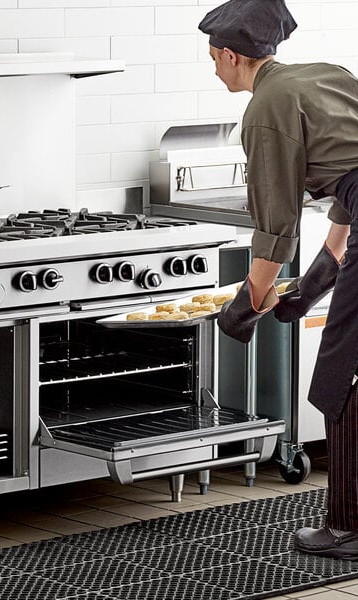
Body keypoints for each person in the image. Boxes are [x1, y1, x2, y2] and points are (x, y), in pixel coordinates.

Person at [198, 0, 358, 559]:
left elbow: (276, 223)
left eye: (212, 56)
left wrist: (250, 300)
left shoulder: (265, 106)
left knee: (344, 370)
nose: (213, 66)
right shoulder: (329, 74)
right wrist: (329, 262)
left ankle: (348, 530)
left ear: (232, 54)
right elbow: (350, 171)